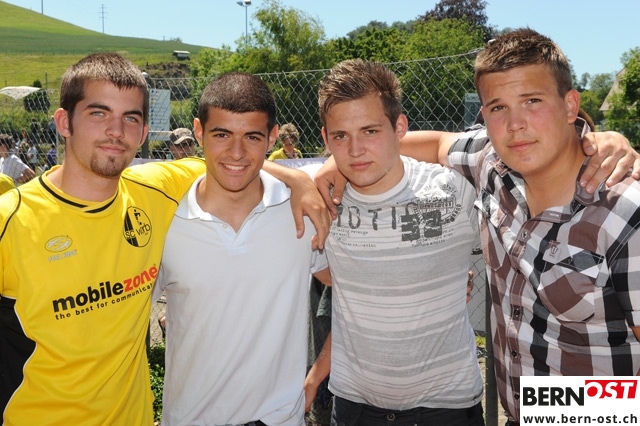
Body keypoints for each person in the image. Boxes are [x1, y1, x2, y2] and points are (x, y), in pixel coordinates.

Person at [318, 29, 640, 424]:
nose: (515, 124)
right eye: (498, 107)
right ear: (484, 116)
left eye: (532, 101)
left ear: (570, 104)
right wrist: (336, 163)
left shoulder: (625, 212)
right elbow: (434, 143)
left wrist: (562, 413)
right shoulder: (489, 164)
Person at [0, 53, 329, 426]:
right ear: (64, 122)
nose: (115, 131)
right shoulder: (10, 221)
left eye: (130, 118)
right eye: (98, 113)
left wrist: (298, 180)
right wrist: (298, 178)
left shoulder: (156, 191)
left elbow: (234, 158)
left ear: (143, 133)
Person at [152, 71, 331, 426]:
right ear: (199, 131)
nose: (236, 152)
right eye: (221, 135)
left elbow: (359, 294)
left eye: (252, 136)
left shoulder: (303, 212)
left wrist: (317, 374)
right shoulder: (163, 221)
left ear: (272, 137)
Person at [314, 58, 485, 426]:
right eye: (341, 136)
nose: (355, 149)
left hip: (448, 407)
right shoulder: (318, 204)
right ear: (325, 139)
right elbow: (330, 276)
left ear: (400, 127)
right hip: (355, 407)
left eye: (370, 131)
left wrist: (596, 138)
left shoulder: (452, 188)